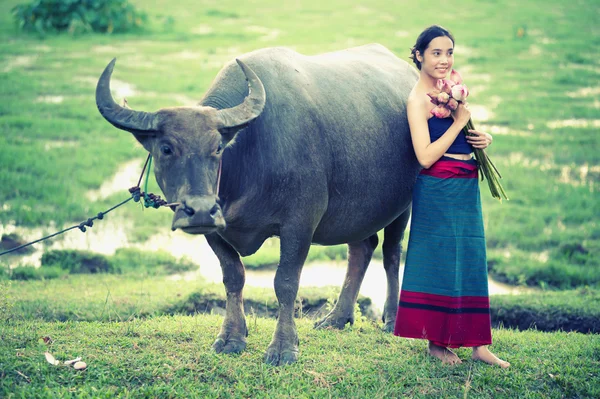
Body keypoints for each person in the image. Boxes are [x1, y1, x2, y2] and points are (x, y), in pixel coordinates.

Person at [393, 25, 510, 368]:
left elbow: (457, 131)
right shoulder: (417, 101)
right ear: (419, 56)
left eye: (449, 53)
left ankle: (479, 343)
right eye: (436, 53)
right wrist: (460, 124)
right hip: (437, 189)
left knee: (471, 259)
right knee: (440, 263)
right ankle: (437, 344)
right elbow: (426, 156)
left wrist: (478, 138)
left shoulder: (449, 92)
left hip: (465, 183)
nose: (444, 60)